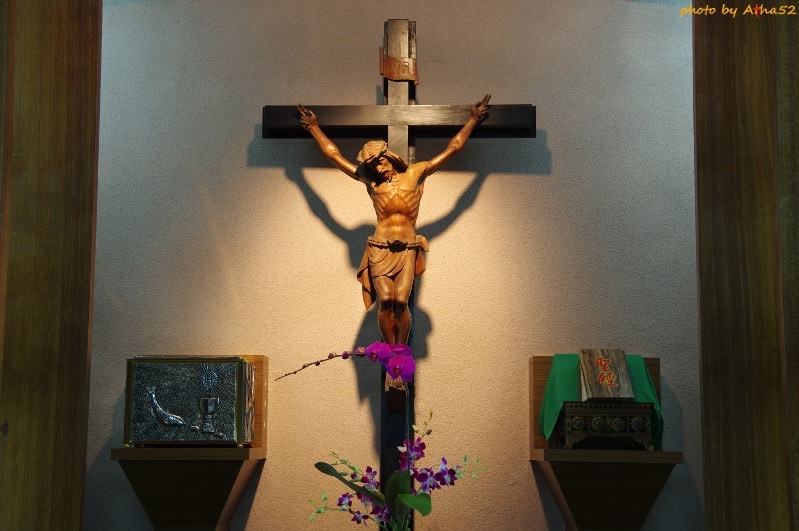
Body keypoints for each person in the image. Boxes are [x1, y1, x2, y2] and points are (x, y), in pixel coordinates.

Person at [297, 95, 490, 346]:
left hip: (407, 246)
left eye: (380, 161)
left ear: (389, 156)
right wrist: (314, 128)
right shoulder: (372, 181)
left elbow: (452, 148)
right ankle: (390, 353)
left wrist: (472, 120)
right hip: (380, 247)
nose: (378, 168)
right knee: (386, 300)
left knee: (401, 300)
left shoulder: (416, 173)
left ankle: (400, 350)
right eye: (373, 166)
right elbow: (334, 156)